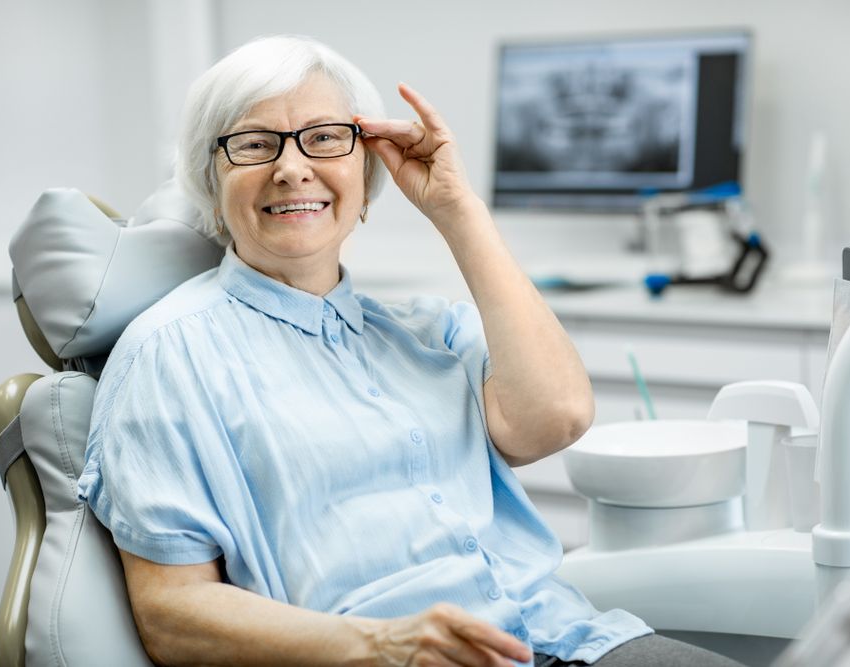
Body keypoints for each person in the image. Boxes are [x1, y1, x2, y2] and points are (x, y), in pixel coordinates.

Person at [77, 35, 743, 667]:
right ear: (210, 180)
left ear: (366, 173)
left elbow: (558, 416)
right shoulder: (169, 354)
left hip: (569, 635)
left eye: (324, 138)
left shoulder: (429, 331)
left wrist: (458, 209)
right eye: (253, 144)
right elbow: (172, 611)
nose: (291, 167)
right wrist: (378, 644)